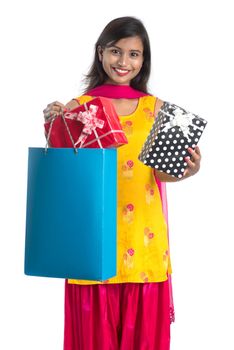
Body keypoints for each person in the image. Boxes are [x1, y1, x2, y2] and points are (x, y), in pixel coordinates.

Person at [43, 16, 201, 350]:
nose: (123, 62)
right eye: (116, 51)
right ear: (101, 53)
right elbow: (65, 177)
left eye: (134, 54)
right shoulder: (81, 108)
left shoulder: (157, 110)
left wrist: (188, 170)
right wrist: (53, 123)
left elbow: (161, 175)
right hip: (91, 250)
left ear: (144, 61)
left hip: (145, 250)